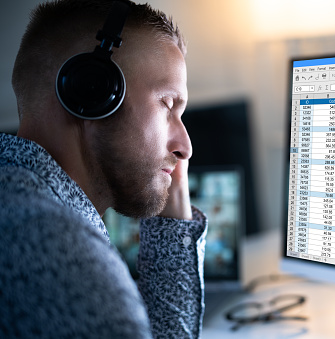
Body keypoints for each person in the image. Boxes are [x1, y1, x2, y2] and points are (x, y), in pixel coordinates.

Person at [0, 0, 207, 338]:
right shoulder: (52, 249)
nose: (186, 147)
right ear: (90, 90)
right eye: (167, 104)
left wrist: (172, 225)